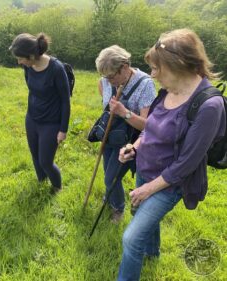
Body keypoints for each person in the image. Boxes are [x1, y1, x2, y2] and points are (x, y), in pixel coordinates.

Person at [116, 29, 226, 281]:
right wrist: (136, 147)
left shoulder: (209, 106)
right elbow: (152, 128)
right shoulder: (167, 91)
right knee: (145, 223)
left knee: (131, 239)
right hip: (145, 169)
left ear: (177, 65)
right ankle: (152, 254)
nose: (152, 75)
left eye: (157, 68)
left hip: (170, 183)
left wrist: (147, 189)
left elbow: (186, 163)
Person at [95, 45, 156, 223]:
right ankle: (110, 197)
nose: (108, 81)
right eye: (105, 77)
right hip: (110, 136)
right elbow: (104, 98)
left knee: (111, 178)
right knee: (108, 172)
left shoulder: (145, 84)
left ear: (124, 66)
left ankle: (118, 208)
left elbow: (147, 125)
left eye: (111, 76)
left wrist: (124, 112)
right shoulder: (105, 81)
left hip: (130, 141)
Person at [9, 33, 71, 194]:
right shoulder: (28, 67)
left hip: (51, 122)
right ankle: (41, 182)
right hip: (32, 118)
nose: (19, 62)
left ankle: (57, 187)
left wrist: (63, 129)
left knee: (45, 161)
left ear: (31, 56)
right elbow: (32, 89)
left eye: (20, 58)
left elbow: (65, 100)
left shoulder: (56, 69)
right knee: (35, 155)